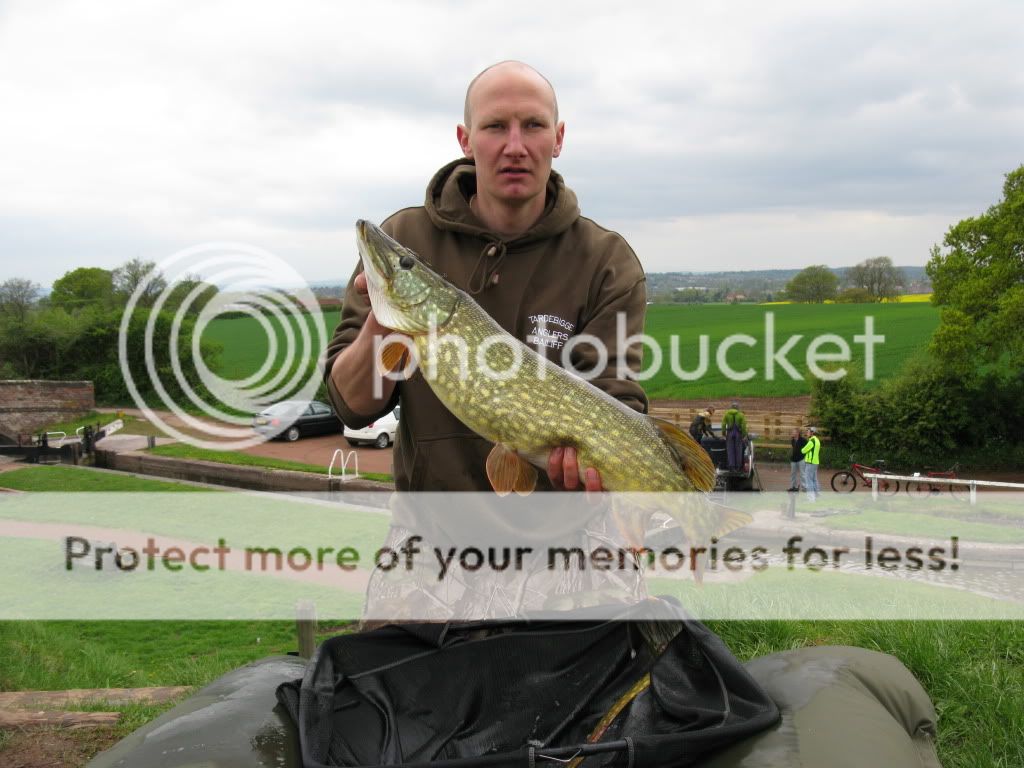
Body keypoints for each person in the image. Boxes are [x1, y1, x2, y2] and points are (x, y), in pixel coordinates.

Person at [325, 60, 647, 495]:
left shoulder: (607, 262)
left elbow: (616, 401)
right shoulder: (406, 237)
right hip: (431, 536)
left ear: (558, 139)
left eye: (533, 125)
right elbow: (352, 407)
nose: (515, 146)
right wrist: (385, 321)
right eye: (496, 126)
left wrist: (596, 475)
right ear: (466, 140)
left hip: (567, 537)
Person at [721, 402, 747, 471]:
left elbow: (723, 424)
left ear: (731, 407)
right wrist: (744, 435)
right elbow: (744, 426)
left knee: (730, 450)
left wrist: (723, 434)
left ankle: (732, 467)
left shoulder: (726, 414)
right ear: (738, 408)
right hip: (738, 433)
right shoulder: (741, 415)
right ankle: (738, 467)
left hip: (730, 433)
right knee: (738, 450)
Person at [801, 426, 821, 501]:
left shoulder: (812, 441)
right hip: (815, 462)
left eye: (808, 431)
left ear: (812, 433)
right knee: (814, 479)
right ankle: (816, 494)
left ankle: (811, 498)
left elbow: (804, 450)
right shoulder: (817, 440)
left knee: (808, 480)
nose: (807, 433)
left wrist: (802, 449)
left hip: (810, 463)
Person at [788, 427, 806, 492]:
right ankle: (793, 487)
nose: (792, 433)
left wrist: (804, 456)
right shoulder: (792, 440)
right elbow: (793, 449)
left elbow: (806, 449)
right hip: (793, 460)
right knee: (793, 474)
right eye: (792, 432)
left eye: (794, 432)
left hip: (801, 459)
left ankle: (804, 488)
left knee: (802, 474)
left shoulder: (803, 440)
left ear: (798, 433)